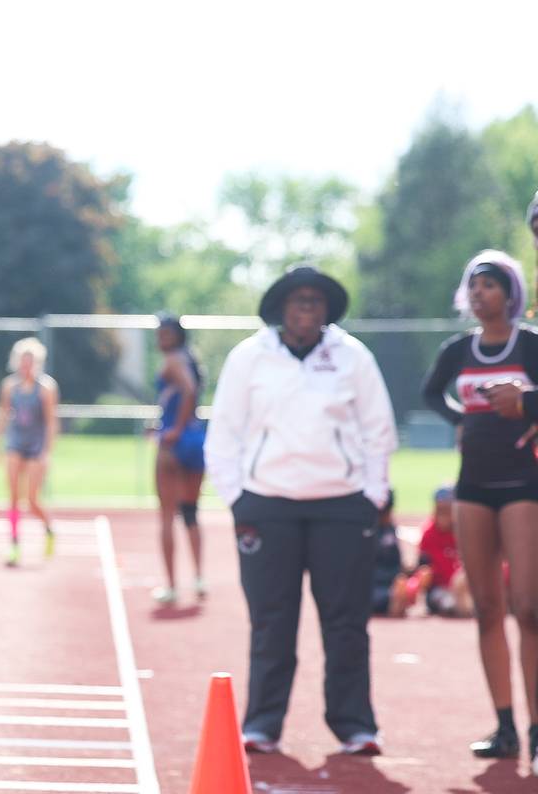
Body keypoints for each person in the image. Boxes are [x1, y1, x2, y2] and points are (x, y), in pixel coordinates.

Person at [206, 264, 397, 757]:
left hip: (342, 505)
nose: (307, 309)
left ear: (328, 310)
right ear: (280, 308)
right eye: (298, 300)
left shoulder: (353, 356)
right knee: (272, 620)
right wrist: (238, 497)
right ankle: (262, 724)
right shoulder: (250, 357)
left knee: (347, 621)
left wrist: (372, 496)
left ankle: (355, 724)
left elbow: (379, 430)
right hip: (266, 505)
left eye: (316, 301)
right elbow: (223, 432)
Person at [421, 249, 538, 760]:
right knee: (486, 608)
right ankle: (505, 726)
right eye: (472, 286)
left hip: (524, 486)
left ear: (510, 293)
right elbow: (431, 394)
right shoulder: (458, 349)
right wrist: (459, 420)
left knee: (529, 609)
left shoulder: (530, 345)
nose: (478, 293)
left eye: (489, 284)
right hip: (473, 488)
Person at [0, 337, 57, 567]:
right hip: (15, 443)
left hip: (36, 446)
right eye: (22, 361)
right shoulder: (9, 386)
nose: (25, 366)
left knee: (32, 500)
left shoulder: (46, 388)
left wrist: (47, 452)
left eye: (30, 361)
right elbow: (2, 415)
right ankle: (15, 545)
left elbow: (50, 422)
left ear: (37, 362)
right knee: (14, 498)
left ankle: (48, 528)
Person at [151, 315, 206, 605]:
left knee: (166, 517)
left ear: (177, 335)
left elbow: (188, 390)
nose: (161, 338)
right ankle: (198, 577)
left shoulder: (173, 360)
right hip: (195, 438)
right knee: (191, 512)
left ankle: (172, 586)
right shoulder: (191, 358)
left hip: (175, 445)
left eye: (166, 333)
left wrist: (174, 429)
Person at [418, 485, 471, 618]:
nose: (444, 515)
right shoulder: (429, 534)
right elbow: (424, 567)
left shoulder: (463, 531)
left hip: (463, 588)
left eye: (447, 510)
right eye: (440, 510)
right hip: (439, 588)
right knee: (448, 603)